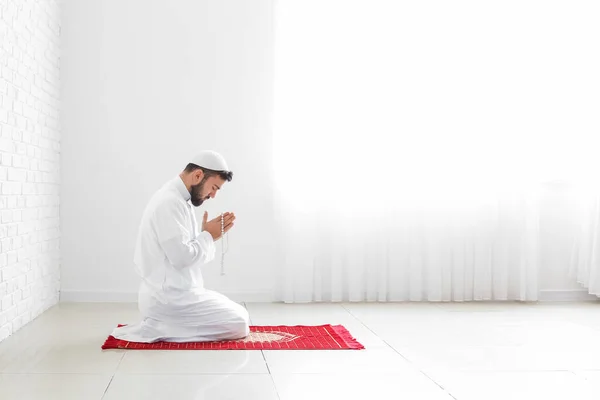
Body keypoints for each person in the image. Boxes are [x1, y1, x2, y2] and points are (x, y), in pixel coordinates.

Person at [111, 150, 250, 343]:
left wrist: (204, 234)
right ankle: (164, 325)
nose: (213, 195)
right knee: (239, 322)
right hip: (168, 299)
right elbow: (182, 258)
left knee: (240, 313)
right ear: (198, 175)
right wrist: (208, 235)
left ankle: (168, 324)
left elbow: (182, 249)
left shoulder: (178, 199)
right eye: (214, 187)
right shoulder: (169, 202)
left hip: (178, 294)